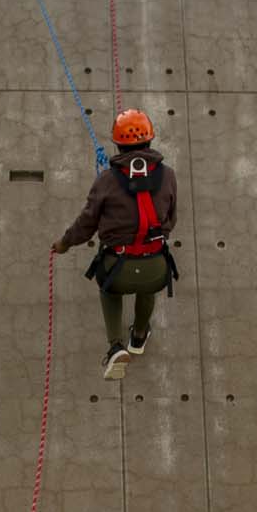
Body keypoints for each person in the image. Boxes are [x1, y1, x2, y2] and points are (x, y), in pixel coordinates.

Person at [53, 110, 178, 379]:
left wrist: (64, 243)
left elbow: (86, 224)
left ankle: (115, 347)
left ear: (118, 144)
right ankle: (139, 336)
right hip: (155, 265)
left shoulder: (106, 181)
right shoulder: (168, 176)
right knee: (148, 287)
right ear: (150, 141)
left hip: (117, 267)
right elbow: (171, 218)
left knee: (109, 290)